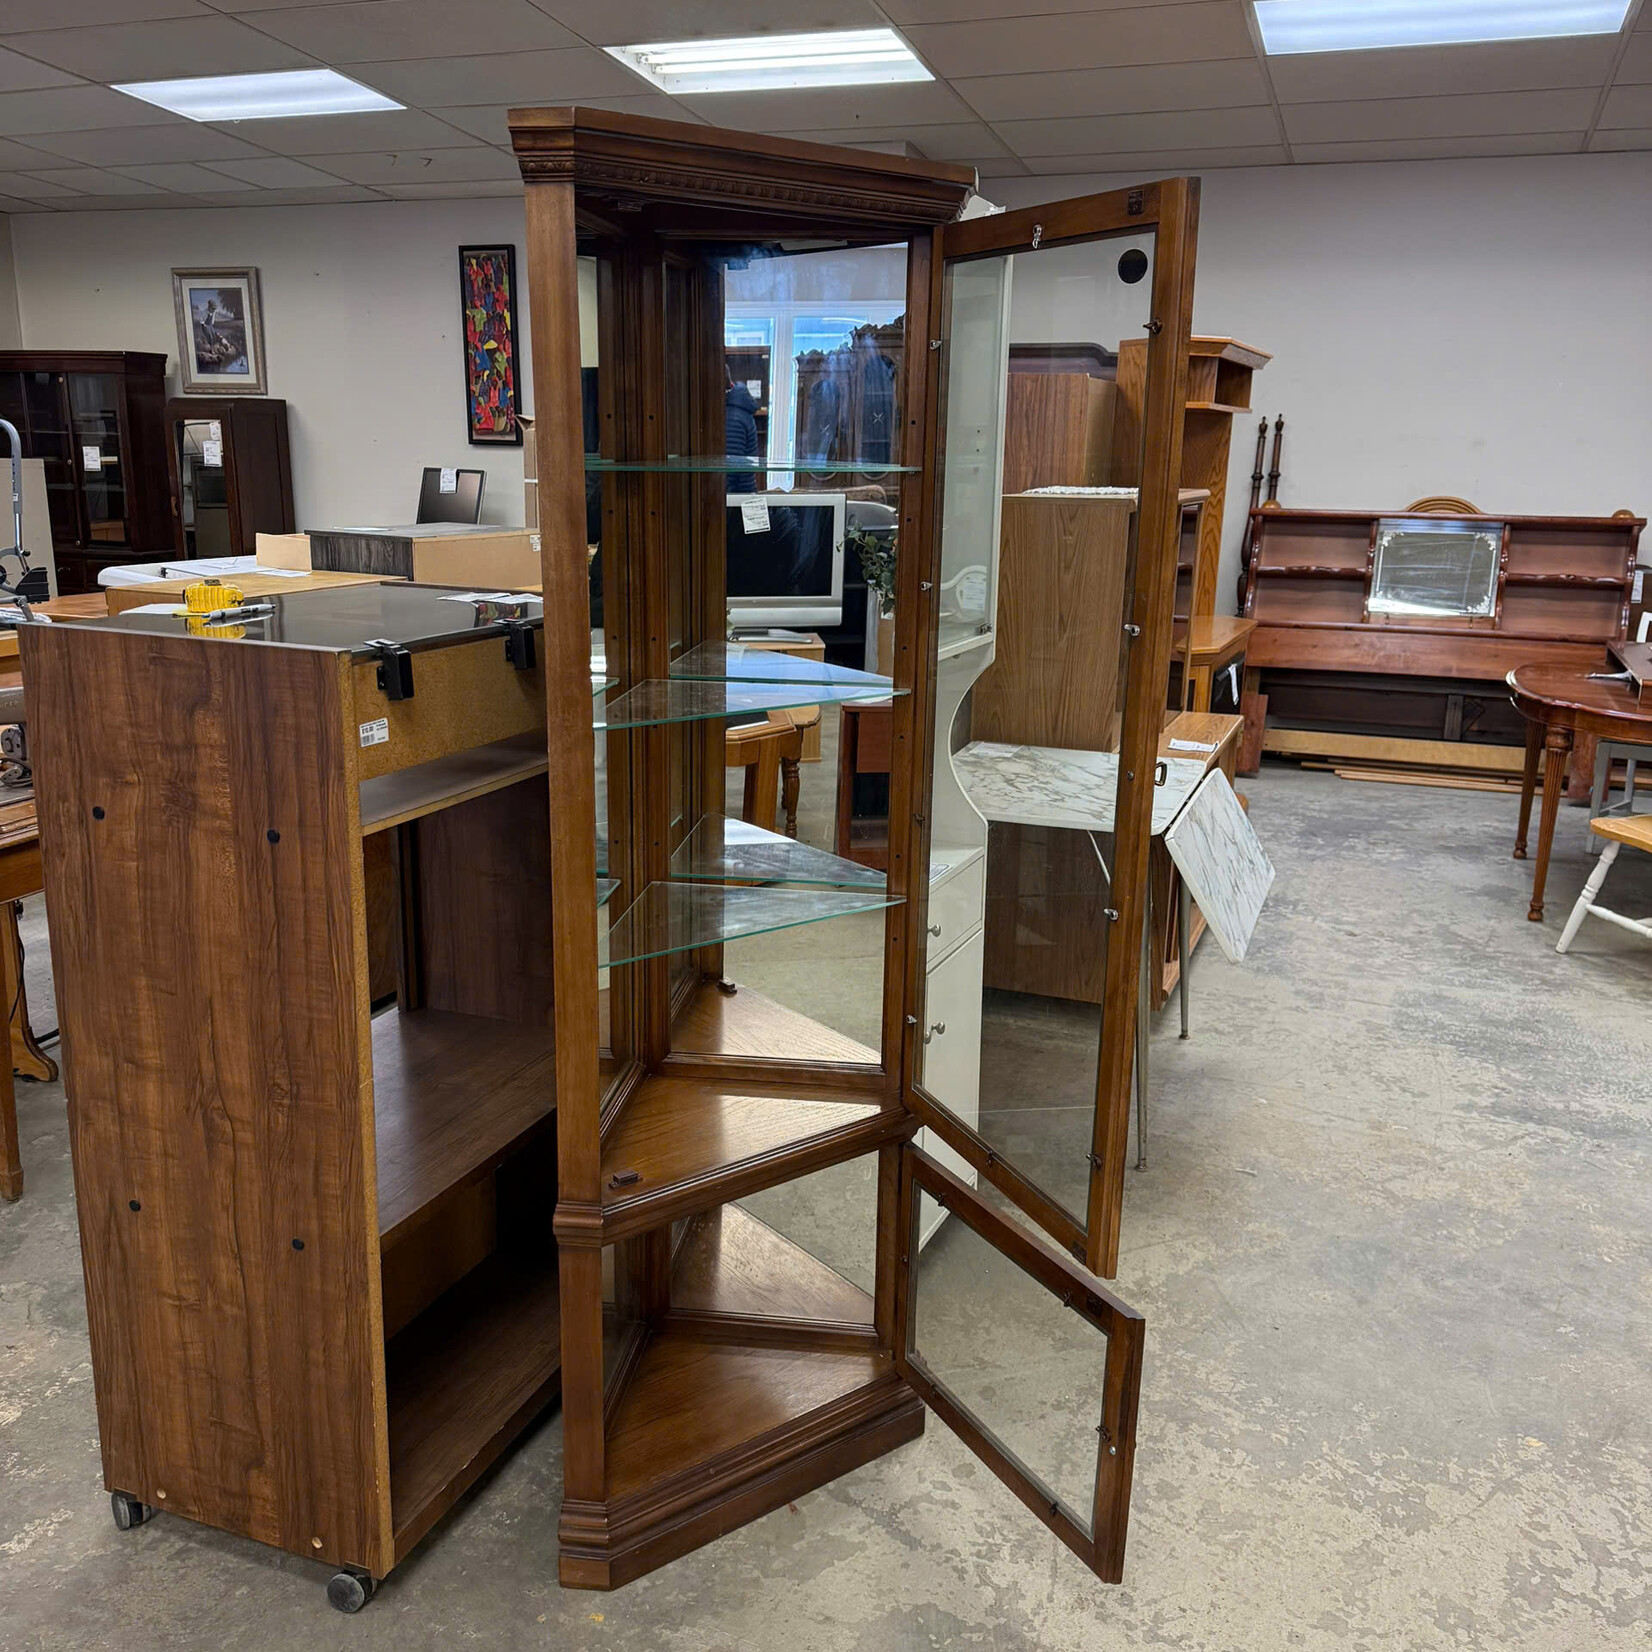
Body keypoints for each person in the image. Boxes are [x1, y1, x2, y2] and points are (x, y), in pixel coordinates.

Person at [725, 366, 760, 494]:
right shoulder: (737, 409)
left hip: (735, 498)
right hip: (741, 494)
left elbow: (730, 470)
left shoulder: (732, 416)